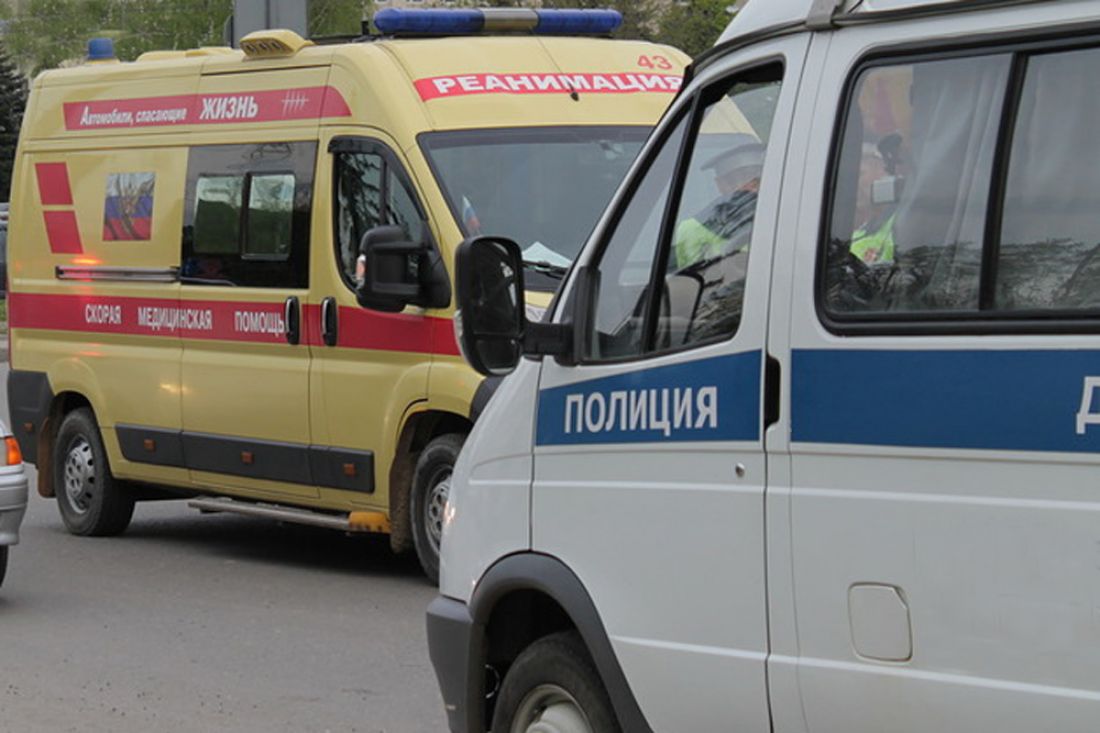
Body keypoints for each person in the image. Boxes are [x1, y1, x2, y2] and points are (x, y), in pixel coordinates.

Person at [674, 134, 764, 269]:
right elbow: (689, 278)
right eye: (745, 179)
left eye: (757, 180)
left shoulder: (783, 215)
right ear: (722, 185)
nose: (753, 187)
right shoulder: (692, 229)